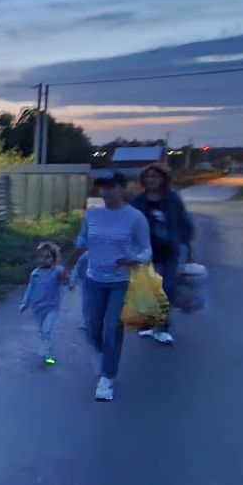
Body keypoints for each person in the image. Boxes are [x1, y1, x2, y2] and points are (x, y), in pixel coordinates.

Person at [64, 171, 152, 402]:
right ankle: (104, 356)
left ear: (122, 188)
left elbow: (147, 250)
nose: (106, 191)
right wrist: (67, 268)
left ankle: (107, 377)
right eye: (102, 186)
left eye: (111, 186)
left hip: (120, 282)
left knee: (112, 327)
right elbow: (81, 243)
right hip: (94, 280)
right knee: (92, 327)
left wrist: (135, 259)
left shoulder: (135, 218)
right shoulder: (92, 215)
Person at [131, 163, 194, 346]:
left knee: (167, 288)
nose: (152, 180)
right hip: (146, 251)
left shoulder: (172, 198)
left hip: (169, 249)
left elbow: (183, 221)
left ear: (163, 179)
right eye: (148, 177)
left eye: (155, 176)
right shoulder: (138, 201)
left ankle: (164, 328)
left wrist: (186, 243)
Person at [18, 241, 65, 365]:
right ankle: (48, 356)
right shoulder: (35, 273)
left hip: (51, 307)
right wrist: (25, 303)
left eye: (47, 257)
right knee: (42, 332)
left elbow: (65, 280)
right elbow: (30, 289)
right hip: (37, 308)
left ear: (53, 259)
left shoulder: (57, 271)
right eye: (41, 257)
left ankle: (45, 349)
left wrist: (68, 279)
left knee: (47, 329)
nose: (44, 260)